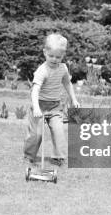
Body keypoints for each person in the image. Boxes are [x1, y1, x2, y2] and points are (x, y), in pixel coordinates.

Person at [23, 34, 80, 166]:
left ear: (63, 55)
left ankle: (58, 157)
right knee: (36, 135)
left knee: (58, 131)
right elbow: (35, 90)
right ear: (45, 53)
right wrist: (36, 108)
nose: (54, 59)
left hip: (55, 106)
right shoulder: (42, 70)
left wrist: (74, 99)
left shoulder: (63, 68)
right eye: (51, 56)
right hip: (40, 106)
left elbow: (67, 83)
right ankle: (28, 156)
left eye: (58, 57)